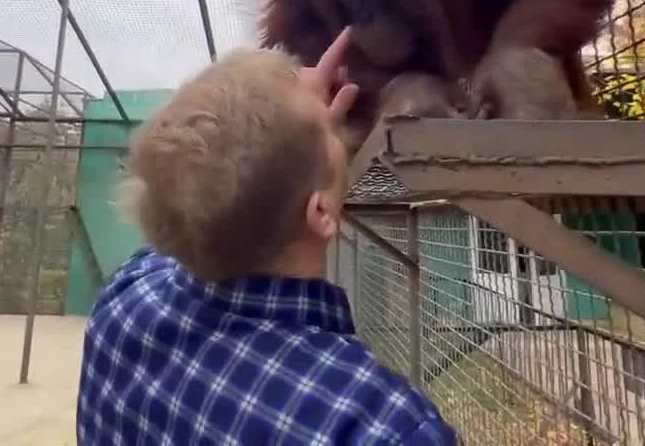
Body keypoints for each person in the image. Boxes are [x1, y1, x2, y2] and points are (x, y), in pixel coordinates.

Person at [76, 28, 459, 445]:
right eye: (328, 134)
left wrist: (297, 133)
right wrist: (299, 133)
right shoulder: (380, 426)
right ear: (321, 213)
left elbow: (196, 198)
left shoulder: (125, 300)